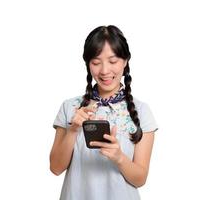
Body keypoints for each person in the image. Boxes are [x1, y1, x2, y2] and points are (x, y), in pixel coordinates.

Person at [50, 25, 158, 200]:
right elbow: (55, 168)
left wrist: (119, 158)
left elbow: (140, 179)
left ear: (125, 61)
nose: (105, 70)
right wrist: (73, 129)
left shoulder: (142, 111)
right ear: (88, 64)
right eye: (96, 62)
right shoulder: (69, 107)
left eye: (113, 61)